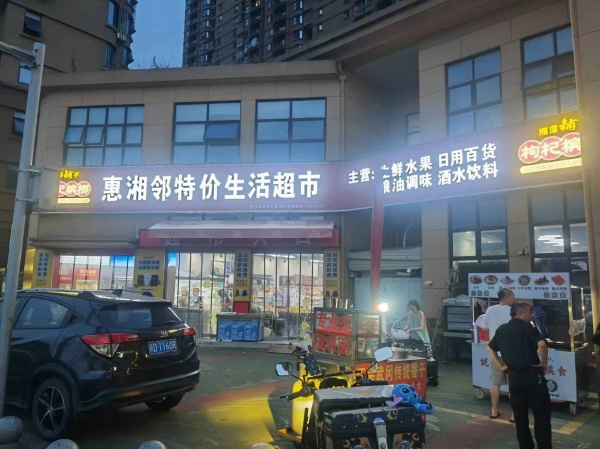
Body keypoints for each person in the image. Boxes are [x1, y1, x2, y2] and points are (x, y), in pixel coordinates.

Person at [487, 302, 552, 449]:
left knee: (520, 419)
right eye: (529, 312)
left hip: (514, 379)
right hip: (533, 379)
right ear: (520, 313)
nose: (531, 315)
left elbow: (490, 348)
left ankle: (525, 446)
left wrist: (500, 366)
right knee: (541, 416)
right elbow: (542, 345)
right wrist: (544, 364)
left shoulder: (502, 329)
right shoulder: (529, 328)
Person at [481, 287, 515, 420]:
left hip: (495, 351)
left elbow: (484, 328)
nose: (513, 299)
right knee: (513, 384)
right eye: (512, 296)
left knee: (496, 383)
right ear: (507, 297)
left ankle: (494, 411)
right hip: (511, 352)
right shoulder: (513, 311)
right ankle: (514, 415)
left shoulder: (490, 310)